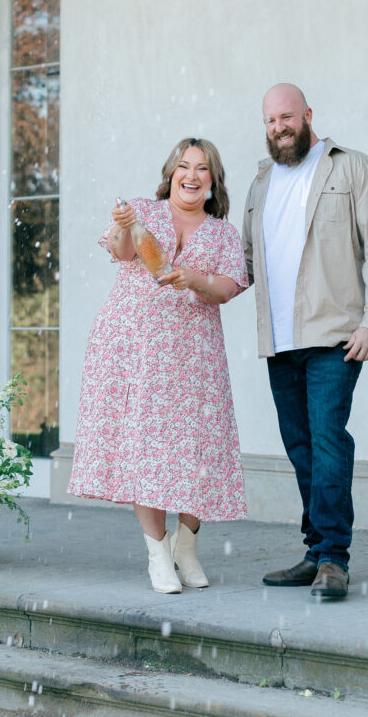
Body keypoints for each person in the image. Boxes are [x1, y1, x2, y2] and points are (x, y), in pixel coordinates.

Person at [68, 137, 248, 593]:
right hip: (134, 348)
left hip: (194, 354)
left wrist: (194, 279)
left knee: (200, 447)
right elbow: (123, 252)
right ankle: (156, 553)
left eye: (202, 168)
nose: (192, 176)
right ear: (171, 173)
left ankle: (185, 546)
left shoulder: (224, 233)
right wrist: (123, 225)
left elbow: (227, 289)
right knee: (145, 448)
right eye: (184, 166)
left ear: (213, 179)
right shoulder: (143, 212)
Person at [242, 83, 368, 600]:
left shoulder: (351, 168)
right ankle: (315, 552)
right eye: (269, 121)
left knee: (329, 441)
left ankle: (334, 558)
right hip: (279, 341)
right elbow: (243, 263)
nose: (278, 128)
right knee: (301, 447)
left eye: (286, 117)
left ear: (307, 115)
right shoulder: (261, 183)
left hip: (335, 334)